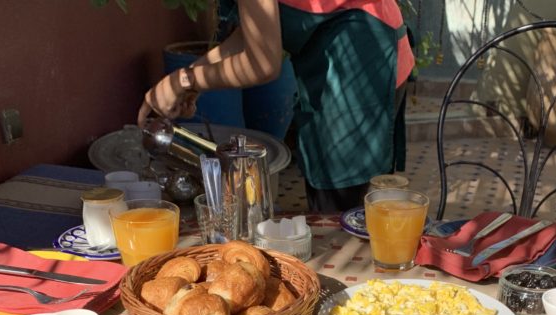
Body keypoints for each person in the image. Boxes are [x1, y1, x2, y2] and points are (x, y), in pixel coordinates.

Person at [138, 0, 415, 212]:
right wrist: (190, 83)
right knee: (332, 202)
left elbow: (263, 65)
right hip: (344, 58)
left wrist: (183, 81)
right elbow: (253, 34)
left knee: (342, 212)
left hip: (360, 67)